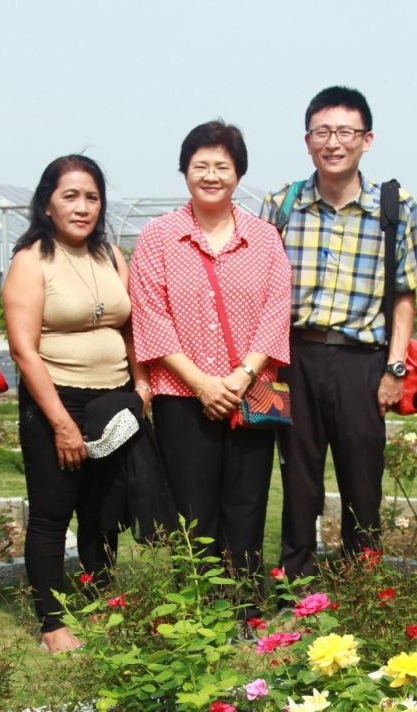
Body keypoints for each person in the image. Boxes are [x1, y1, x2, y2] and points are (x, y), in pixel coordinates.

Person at [260, 86, 417, 584]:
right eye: (322, 132)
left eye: (345, 132)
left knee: (363, 479)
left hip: (363, 361)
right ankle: (296, 585)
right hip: (297, 356)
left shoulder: (395, 207)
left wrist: (395, 368)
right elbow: (264, 288)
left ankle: (360, 585)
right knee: (298, 479)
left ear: (367, 139)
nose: (333, 143)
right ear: (307, 139)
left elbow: (405, 294)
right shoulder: (283, 204)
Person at [130, 122, 292, 616]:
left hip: (254, 390)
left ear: (239, 173)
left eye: (222, 165)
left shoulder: (264, 239)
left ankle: (245, 609)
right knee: (193, 510)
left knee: (246, 505)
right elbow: (151, 317)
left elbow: (275, 310)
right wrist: (202, 383)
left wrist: (241, 377)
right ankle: (200, 613)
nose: (211, 175)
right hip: (183, 396)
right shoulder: (158, 237)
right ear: (184, 172)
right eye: (200, 165)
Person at [4, 156, 147, 654]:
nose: (82, 207)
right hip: (56, 404)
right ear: (47, 202)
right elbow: (23, 349)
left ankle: (99, 600)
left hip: (111, 403)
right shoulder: (31, 260)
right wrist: (62, 424)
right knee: (52, 513)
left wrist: (142, 385)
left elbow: (130, 326)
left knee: (103, 512)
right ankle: (52, 624)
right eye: (70, 196)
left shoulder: (109, 255)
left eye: (91, 196)